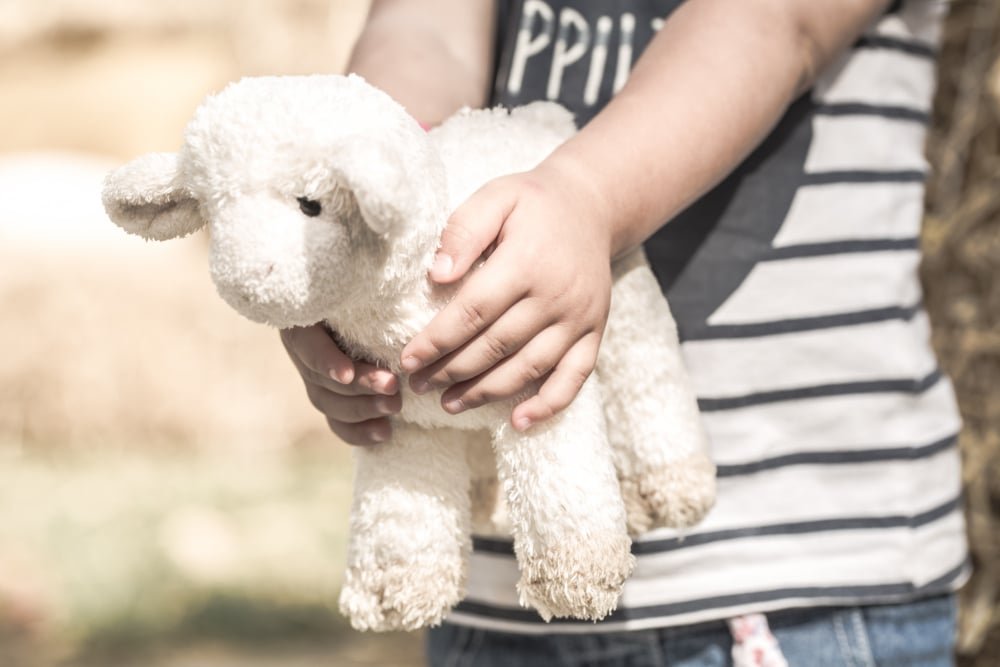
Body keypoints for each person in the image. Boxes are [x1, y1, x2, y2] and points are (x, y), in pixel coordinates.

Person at [280, 0, 968, 664]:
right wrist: (357, 227)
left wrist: (588, 195)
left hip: (795, 563)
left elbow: (777, 22)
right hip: (500, 588)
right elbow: (425, 26)